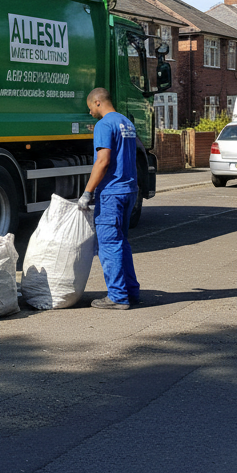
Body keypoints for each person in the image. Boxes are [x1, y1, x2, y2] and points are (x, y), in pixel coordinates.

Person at [78, 87, 141, 310]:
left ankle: (117, 296)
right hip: (129, 190)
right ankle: (131, 291)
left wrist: (87, 192)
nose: (90, 113)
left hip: (112, 194)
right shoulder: (126, 123)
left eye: (90, 108)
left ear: (97, 102)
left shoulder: (104, 125)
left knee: (109, 245)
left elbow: (102, 161)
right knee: (122, 242)